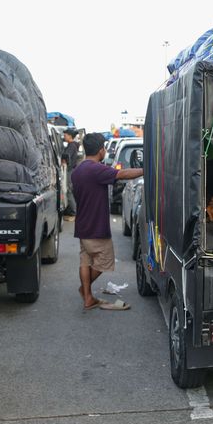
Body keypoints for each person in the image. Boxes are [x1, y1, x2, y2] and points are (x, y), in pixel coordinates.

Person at [72, 133, 143, 311]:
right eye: (104, 147)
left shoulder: (78, 170)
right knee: (104, 261)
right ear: (100, 150)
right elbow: (122, 173)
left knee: (85, 260)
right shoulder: (96, 169)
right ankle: (85, 291)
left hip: (82, 224)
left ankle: (87, 297)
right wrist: (146, 170)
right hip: (96, 226)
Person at [61, 128, 80, 220]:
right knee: (68, 191)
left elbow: (65, 158)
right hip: (69, 170)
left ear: (69, 136)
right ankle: (70, 211)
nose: (64, 136)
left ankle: (74, 212)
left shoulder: (72, 146)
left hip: (69, 171)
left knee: (68, 191)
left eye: (65, 135)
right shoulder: (71, 145)